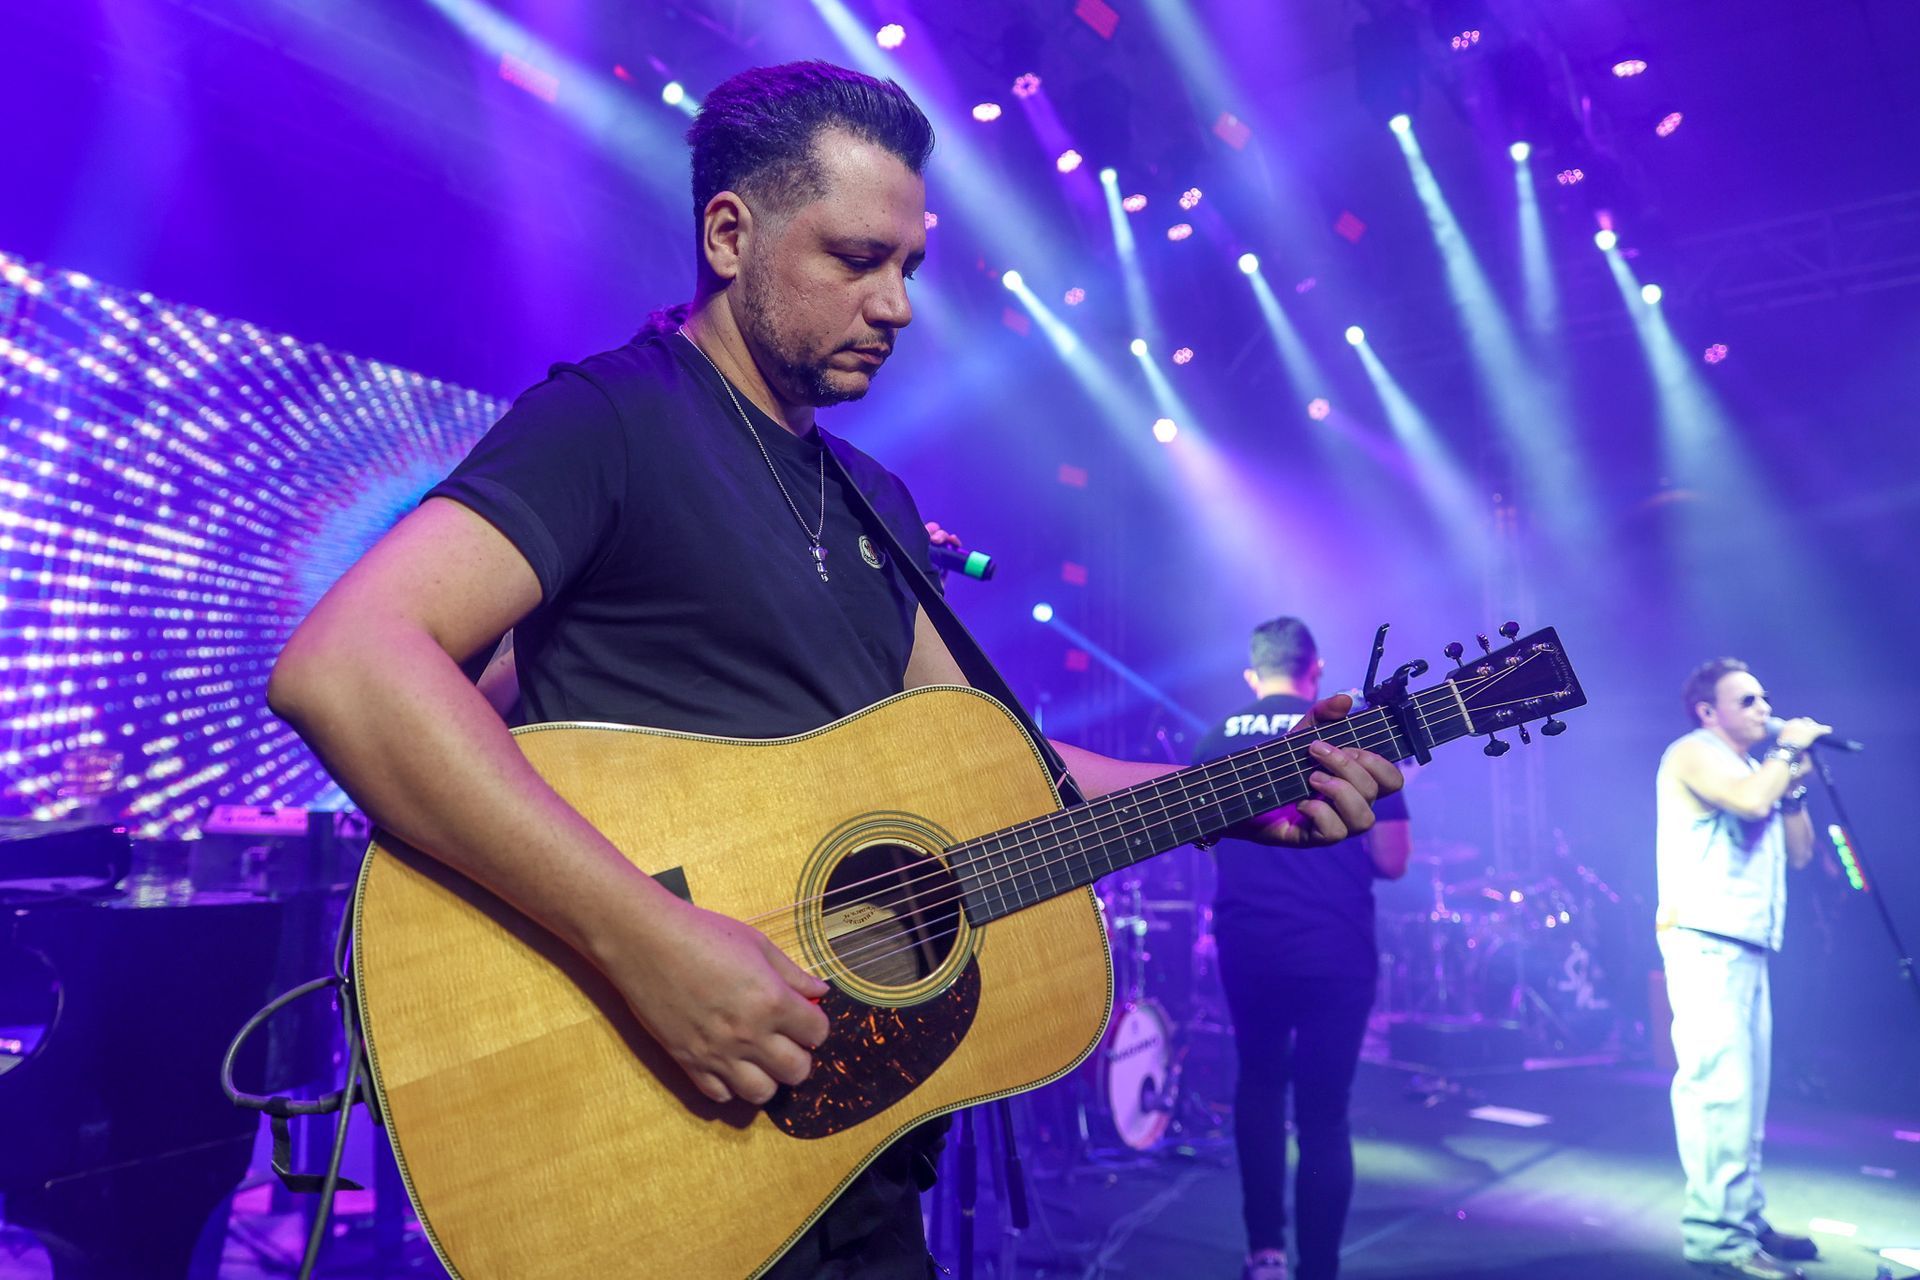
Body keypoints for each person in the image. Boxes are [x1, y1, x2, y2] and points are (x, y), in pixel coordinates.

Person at [266, 61, 1404, 1279]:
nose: (899, 304)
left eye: (908, 267)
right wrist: (648, 940)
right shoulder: (613, 421)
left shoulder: (879, 504)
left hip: (847, 1159)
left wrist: (1226, 795)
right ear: (728, 232)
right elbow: (347, 664)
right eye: (858, 258)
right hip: (651, 1136)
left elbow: (1004, 764)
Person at [1191, 617, 1411, 1280]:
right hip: (1335, 945)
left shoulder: (1216, 738)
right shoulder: (1345, 733)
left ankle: (1264, 1255)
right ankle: (1319, 1269)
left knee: (1258, 1084)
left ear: (1252, 676)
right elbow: (1394, 859)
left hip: (1249, 939)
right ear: (1314, 670)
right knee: (1324, 1112)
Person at [1655, 658, 1826, 1279]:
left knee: (1745, 1099)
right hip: (1704, 939)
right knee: (1718, 1094)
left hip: (1746, 943)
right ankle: (1716, 1239)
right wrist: (1785, 753)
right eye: (1747, 699)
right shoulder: (1692, 752)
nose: (1762, 707)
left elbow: (1802, 854)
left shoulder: (1761, 770)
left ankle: (1744, 1220)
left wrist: (1796, 780)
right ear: (1709, 711)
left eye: (1764, 698)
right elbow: (1752, 804)